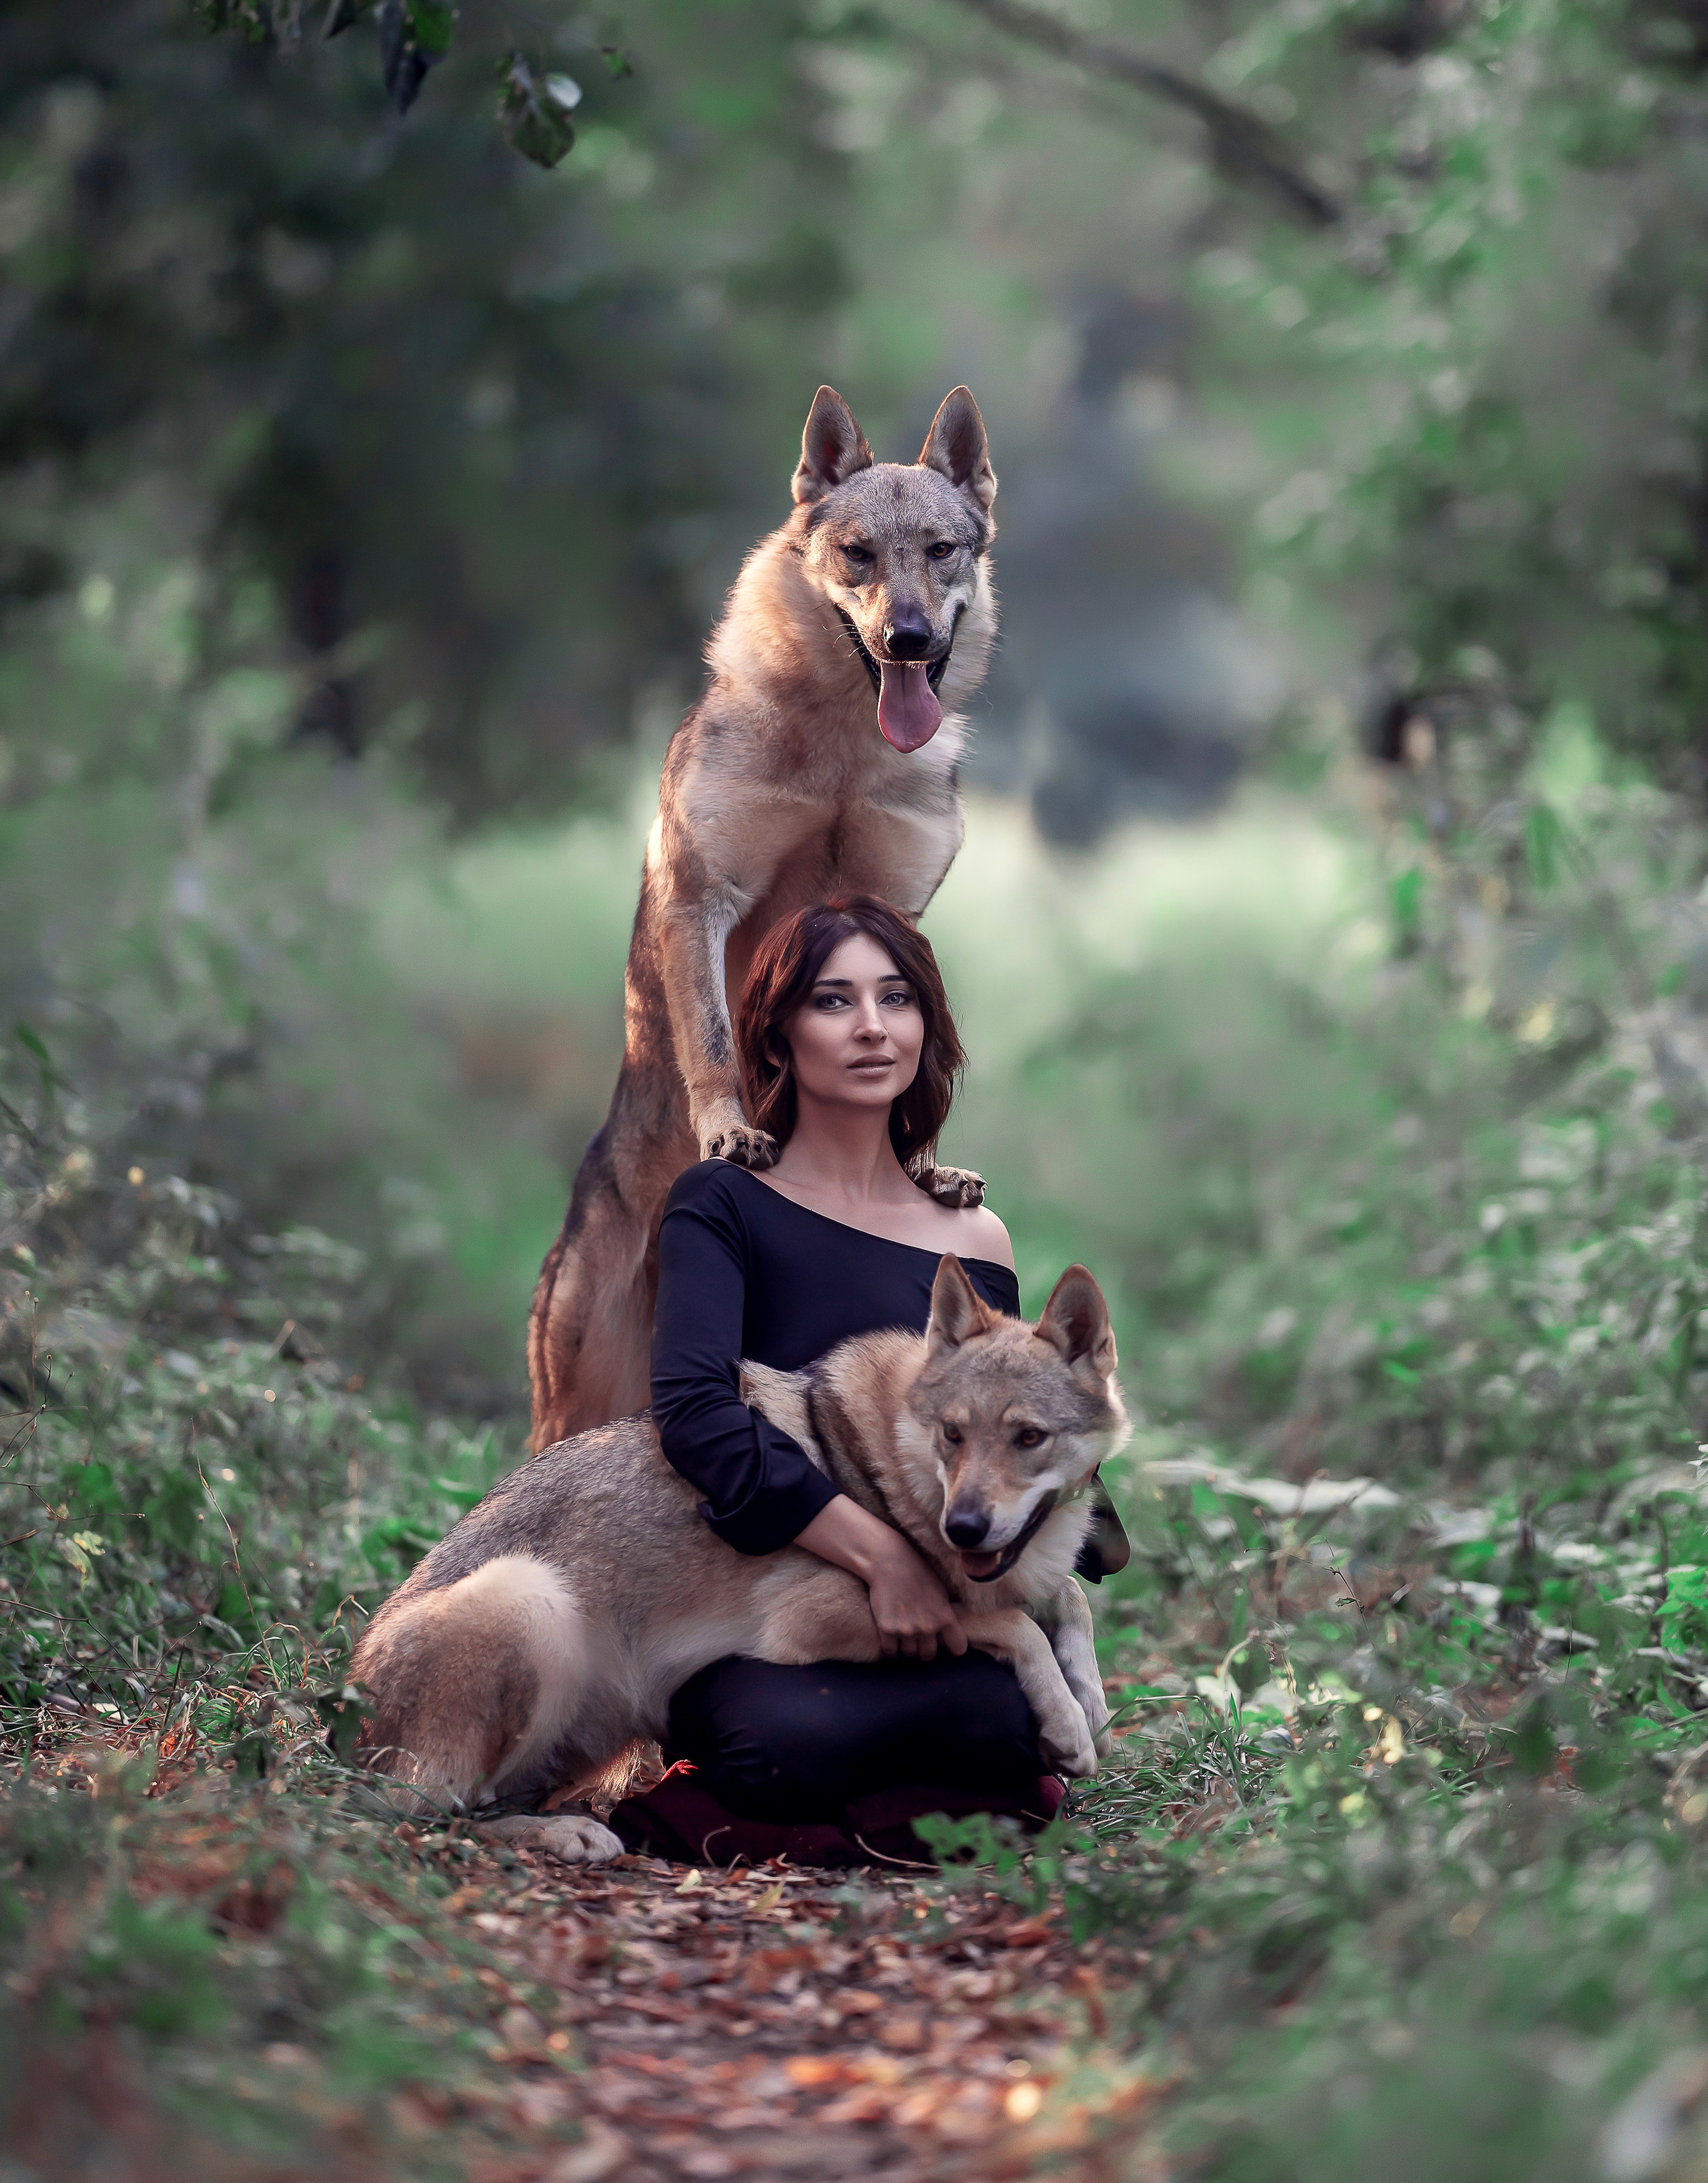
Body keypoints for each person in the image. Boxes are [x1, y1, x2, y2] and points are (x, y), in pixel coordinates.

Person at [607, 894, 1127, 1866]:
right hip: (765, 1587)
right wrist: (881, 1558)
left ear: (928, 1027)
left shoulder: (972, 1232)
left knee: (1004, 1735)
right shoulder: (722, 1198)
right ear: (778, 1032)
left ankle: (884, 1796)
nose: (871, 1027)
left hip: (950, 1606)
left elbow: (1012, 1422)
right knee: (787, 1746)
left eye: (896, 999)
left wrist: (1064, 1594)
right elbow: (695, 1416)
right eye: (833, 1001)